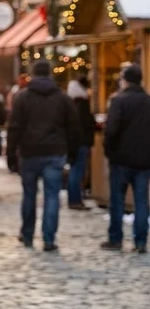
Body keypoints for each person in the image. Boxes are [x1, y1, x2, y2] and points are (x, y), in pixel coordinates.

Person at [7, 59, 80, 252]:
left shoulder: (23, 97)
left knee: (29, 195)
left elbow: (14, 127)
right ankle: (49, 239)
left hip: (30, 153)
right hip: (55, 153)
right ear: (50, 74)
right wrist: (72, 153)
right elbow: (73, 128)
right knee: (52, 196)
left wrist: (11, 154)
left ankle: (28, 234)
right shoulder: (62, 98)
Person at [102, 64, 150, 253]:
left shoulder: (119, 101)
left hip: (121, 159)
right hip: (144, 160)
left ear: (125, 80)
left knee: (117, 201)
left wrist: (109, 151)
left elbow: (112, 130)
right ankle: (140, 241)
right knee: (141, 202)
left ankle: (115, 239)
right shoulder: (148, 101)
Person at [65, 76, 96, 211]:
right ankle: (75, 199)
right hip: (81, 142)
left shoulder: (72, 105)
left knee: (75, 170)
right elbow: (85, 124)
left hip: (75, 142)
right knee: (77, 171)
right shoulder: (82, 105)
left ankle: (74, 199)